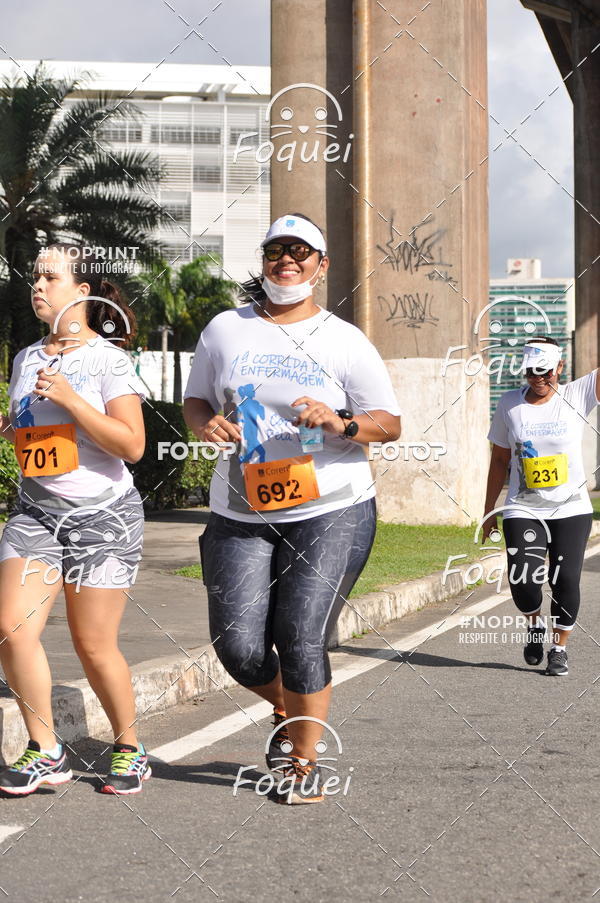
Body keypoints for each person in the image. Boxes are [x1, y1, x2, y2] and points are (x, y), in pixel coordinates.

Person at [184, 213, 401, 804]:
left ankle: (304, 760)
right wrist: (208, 424)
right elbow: (197, 398)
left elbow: (389, 423)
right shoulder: (226, 330)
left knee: (301, 635)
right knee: (238, 645)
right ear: (264, 260)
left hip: (332, 505)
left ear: (321, 265)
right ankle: (289, 707)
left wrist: (340, 421)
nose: (287, 260)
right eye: (276, 249)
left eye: (301, 251)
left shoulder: (344, 339)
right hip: (241, 508)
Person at [0, 244, 150, 795]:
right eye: (34, 277)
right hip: (37, 514)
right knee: (11, 627)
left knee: (93, 644)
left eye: (49, 277)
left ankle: (130, 747)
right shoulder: (26, 358)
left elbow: (132, 444)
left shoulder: (108, 360)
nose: (37, 286)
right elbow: (35, 433)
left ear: (81, 292)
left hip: (102, 518)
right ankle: (47, 751)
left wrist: (71, 401)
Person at [483, 336, 598, 676]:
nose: (539, 378)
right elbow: (500, 459)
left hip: (571, 508)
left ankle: (559, 648)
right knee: (524, 581)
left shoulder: (577, 394)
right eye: (532, 371)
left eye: (546, 371)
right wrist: (490, 508)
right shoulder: (508, 404)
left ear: (559, 367)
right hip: (523, 507)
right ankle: (534, 624)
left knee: (567, 580)